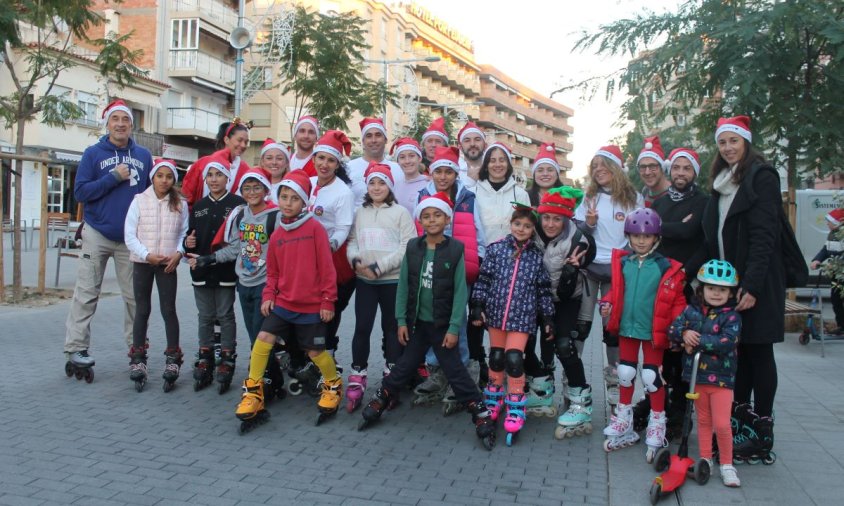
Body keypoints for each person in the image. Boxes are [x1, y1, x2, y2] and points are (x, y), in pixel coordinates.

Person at [358, 192, 497, 450]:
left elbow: (459, 293)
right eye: (426, 216)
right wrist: (401, 320)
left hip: (443, 327)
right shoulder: (413, 247)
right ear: (420, 219)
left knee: (455, 371)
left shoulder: (456, 249)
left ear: (447, 218)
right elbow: (403, 287)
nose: (432, 220)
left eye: (437, 215)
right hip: (417, 325)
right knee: (403, 366)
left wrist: (455, 327)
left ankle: (479, 413)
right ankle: (381, 398)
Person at [698, 115, 786, 463]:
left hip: (757, 282)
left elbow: (766, 235)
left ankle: (762, 431)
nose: (728, 148)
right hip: (730, 284)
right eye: (722, 142)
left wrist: (752, 285)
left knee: (759, 352)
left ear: (746, 142)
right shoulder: (721, 181)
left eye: (734, 141)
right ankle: (737, 423)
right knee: (741, 352)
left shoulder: (761, 176)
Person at [234, 171, 342, 430]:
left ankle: (332, 383)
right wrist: (269, 295)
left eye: (294, 198)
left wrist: (328, 300)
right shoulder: (278, 232)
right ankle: (253, 392)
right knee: (263, 340)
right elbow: (273, 271)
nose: (288, 203)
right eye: (284, 197)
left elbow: (327, 268)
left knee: (315, 352)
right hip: (283, 304)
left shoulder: (314, 227)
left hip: (311, 305)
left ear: (304, 202)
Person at [64, 99, 153, 378]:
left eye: (125, 120)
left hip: (131, 240)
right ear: (107, 123)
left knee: (135, 298)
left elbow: (150, 197)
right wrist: (113, 177)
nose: (120, 124)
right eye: (115, 119)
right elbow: (81, 193)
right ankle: (76, 347)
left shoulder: (144, 155)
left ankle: (136, 347)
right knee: (87, 293)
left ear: (132, 125)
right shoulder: (93, 153)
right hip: (97, 234)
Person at [189, 169, 286, 399]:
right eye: (247, 188)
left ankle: (267, 380)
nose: (252, 192)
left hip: (265, 285)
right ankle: (273, 379)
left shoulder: (275, 216)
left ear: (265, 190)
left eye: (256, 188)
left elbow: (285, 250)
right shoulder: (240, 215)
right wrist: (208, 259)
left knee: (260, 336)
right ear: (241, 192)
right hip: (244, 283)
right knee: (255, 335)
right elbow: (234, 248)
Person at [599, 208, 686, 462]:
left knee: (650, 376)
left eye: (646, 236)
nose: (640, 240)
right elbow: (615, 292)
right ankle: (623, 417)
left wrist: (679, 325)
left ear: (656, 238)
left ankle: (657, 421)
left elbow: (678, 300)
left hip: (652, 331)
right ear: (628, 236)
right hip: (627, 327)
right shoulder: (623, 262)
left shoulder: (664, 266)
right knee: (625, 372)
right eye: (635, 235)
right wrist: (606, 303)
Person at [470, 204, 554, 445]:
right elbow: (484, 279)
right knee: (496, 357)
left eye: (527, 226)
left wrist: (547, 318)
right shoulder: (496, 250)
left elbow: (543, 291)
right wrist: (477, 304)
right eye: (518, 224)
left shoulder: (536, 257)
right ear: (511, 224)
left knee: (514, 359)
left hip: (522, 317)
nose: (521, 228)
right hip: (496, 314)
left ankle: (516, 402)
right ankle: (494, 396)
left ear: (532, 230)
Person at [639, 147, 708, 438]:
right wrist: (676, 227)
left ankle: (680, 412)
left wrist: (684, 273)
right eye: (676, 168)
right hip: (661, 282)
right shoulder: (662, 202)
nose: (680, 173)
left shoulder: (705, 202)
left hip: (687, 284)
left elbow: (698, 237)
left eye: (686, 168)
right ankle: (657, 405)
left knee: (683, 352)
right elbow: (654, 236)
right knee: (661, 348)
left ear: (694, 172)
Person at [414, 146, 487, 407]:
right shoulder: (423, 195)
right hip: (431, 266)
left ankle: (462, 371)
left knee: (458, 319)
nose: (443, 177)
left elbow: (478, 230)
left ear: (456, 174)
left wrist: (478, 258)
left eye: (448, 172)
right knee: (433, 318)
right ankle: (437, 371)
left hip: (461, 267)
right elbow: (416, 230)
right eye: (438, 171)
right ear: (431, 173)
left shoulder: (467, 197)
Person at [573, 145, 643, 408]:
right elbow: (579, 229)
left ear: (616, 169)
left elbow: (639, 233)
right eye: (595, 166)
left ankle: (615, 383)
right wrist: (589, 223)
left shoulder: (633, 198)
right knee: (581, 326)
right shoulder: (589, 196)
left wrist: (625, 255)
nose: (599, 170)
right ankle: (574, 381)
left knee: (612, 330)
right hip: (590, 271)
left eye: (604, 165)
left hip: (617, 271)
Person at [344, 163, 415, 412]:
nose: (376, 187)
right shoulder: (360, 213)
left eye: (382, 183)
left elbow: (407, 246)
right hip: (365, 282)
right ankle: (358, 374)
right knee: (362, 328)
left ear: (390, 186)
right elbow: (352, 242)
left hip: (392, 282)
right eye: (372, 182)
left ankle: (391, 377)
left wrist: (380, 266)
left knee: (392, 329)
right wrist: (355, 260)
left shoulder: (400, 213)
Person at [530, 187, 598, 438]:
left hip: (566, 298)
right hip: (539, 295)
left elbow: (584, 268)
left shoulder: (578, 240)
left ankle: (581, 400)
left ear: (566, 219)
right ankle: (541, 391)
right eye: (546, 217)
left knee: (563, 344)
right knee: (527, 341)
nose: (550, 223)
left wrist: (573, 270)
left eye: (556, 219)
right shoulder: (532, 232)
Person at [668, 259, 742, 488]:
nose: (716, 294)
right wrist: (684, 334)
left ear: (730, 293)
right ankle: (705, 459)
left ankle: (727, 465)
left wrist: (696, 342)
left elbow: (727, 342)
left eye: (722, 290)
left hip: (721, 379)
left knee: (721, 423)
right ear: (702, 289)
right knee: (703, 421)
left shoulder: (731, 316)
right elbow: (673, 329)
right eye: (711, 288)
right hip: (696, 378)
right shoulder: (691, 311)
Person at [124, 159, 189, 391]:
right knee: (142, 309)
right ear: (153, 177)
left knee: (168, 309)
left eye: (169, 177)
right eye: (160, 176)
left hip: (167, 264)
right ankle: (138, 358)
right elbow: (129, 235)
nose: (164, 180)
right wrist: (146, 254)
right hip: (144, 262)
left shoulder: (180, 203)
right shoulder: (139, 201)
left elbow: (184, 233)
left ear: (174, 180)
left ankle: (173, 358)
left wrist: (179, 253)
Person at [183, 158, 244, 392]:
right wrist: (185, 242)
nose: (215, 179)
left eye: (219, 175)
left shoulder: (238, 205)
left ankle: (227, 356)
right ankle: (205, 353)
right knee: (205, 316)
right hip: (201, 269)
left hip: (226, 270)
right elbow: (190, 237)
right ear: (205, 179)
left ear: (228, 178)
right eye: (211, 175)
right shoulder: (198, 206)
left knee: (225, 315)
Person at [308, 131, 356, 366]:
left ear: (337, 164)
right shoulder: (305, 184)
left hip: (333, 260)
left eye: (331, 160)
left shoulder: (342, 192)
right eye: (321, 158)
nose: (324, 164)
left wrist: (327, 247)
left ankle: (328, 354)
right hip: (304, 260)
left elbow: (343, 228)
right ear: (314, 158)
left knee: (329, 312)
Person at [182, 119, 251, 207]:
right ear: (226, 139)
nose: (243, 145)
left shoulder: (245, 169)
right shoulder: (202, 164)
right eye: (240, 140)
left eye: (246, 142)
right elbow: (187, 194)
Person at [474, 142, 530, 244]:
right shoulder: (472, 193)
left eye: (502, 160)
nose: (497, 165)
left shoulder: (521, 195)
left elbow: (527, 227)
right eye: (492, 161)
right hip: (481, 256)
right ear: (486, 165)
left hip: (511, 256)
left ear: (508, 164)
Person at [347, 118, 403, 208]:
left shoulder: (398, 169)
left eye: (378, 135)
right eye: (369, 136)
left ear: (385, 140)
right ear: (363, 141)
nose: (373, 140)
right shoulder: (349, 168)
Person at [811, 208, 844, 334]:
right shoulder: (832, 234)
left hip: (841, 273)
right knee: (835, 299)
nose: (827, 224)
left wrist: (837, 265)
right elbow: (825, 250)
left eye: (829, 222)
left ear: (837, 222)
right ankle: (841, 325)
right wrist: (817, 260)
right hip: (836, 275)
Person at [391, 137, 429, 215]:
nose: (407, 161)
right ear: (397, 161)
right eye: (402, 157)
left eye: (411, 156)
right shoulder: (396, 186)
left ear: (419, 158)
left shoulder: (429, 184)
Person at [527, 142, 565, 207]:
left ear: (557, 174)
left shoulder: (567, 196)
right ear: (534, 174)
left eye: (550, 170)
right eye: (540, 170)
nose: (545, 174)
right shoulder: (525, 196)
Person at [637, 136, 670, 207]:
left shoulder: (676, 194)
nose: (647, 172)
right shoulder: (644, 192)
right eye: (643, 167)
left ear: (662, 168)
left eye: (652, 166)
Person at [457, 121, 486, 188]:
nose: (472, 144)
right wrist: (470, 180)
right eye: (467, 140)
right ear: (460, 147)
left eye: (477, 140)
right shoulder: (453, 170)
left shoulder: (495, 167)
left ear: (485, 145)